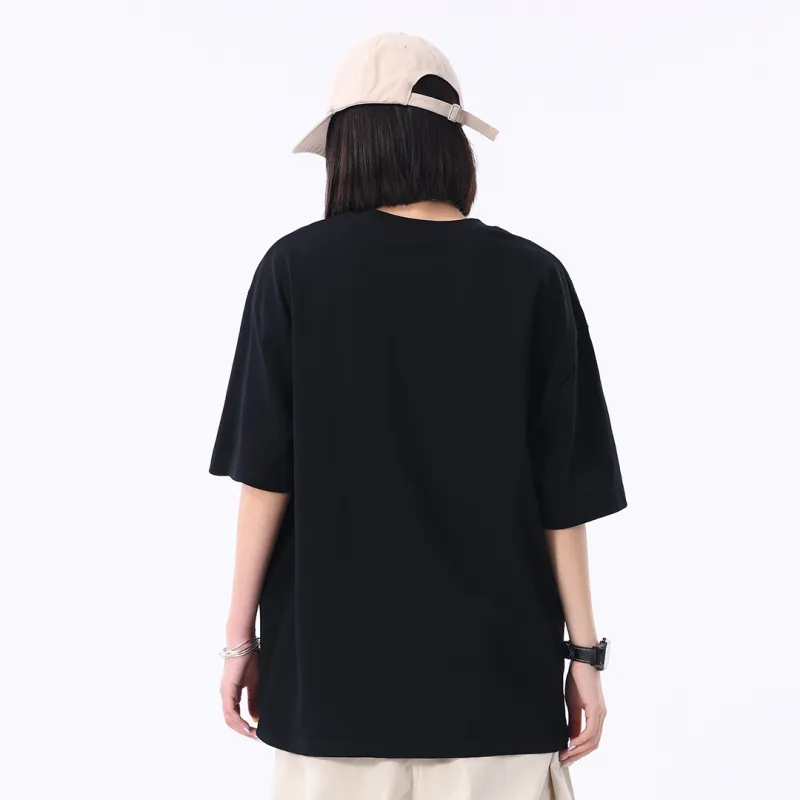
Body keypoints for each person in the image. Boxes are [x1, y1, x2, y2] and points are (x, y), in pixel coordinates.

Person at [208, 31, 627, 800]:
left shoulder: (295, 271)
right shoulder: (534, 279)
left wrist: (239, 643)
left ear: (350, 148)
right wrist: (584, 657)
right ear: (451, 146)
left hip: (330, 694)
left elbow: (265, 479)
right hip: (498, 695)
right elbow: (562, 499)